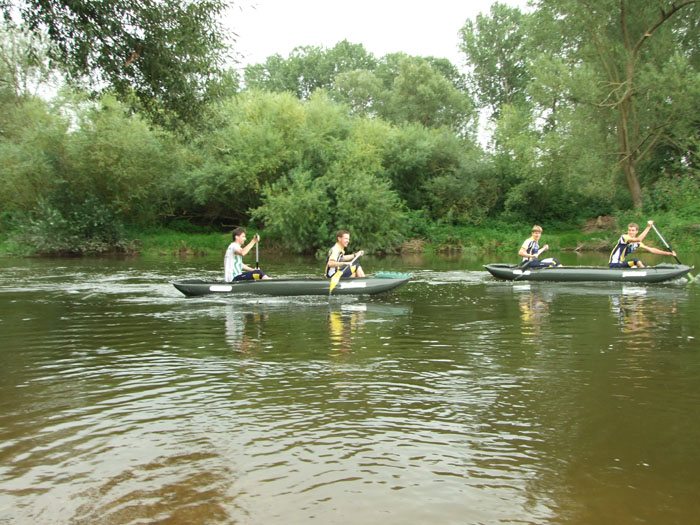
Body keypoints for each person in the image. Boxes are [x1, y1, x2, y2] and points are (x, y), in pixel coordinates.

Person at [608, 220, 675, 268]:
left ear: (637, 231)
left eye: (633, 230)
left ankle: (647, 270)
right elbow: (639, 239)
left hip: (621, 264)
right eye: (629, 230)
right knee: (636, 261)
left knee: (644, 264)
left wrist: (668, 253)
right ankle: (645, 274)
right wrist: (648, 227)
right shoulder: (624, 237)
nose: (630, 232)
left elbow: (651, 249)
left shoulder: (637, 243)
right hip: (614, 264)